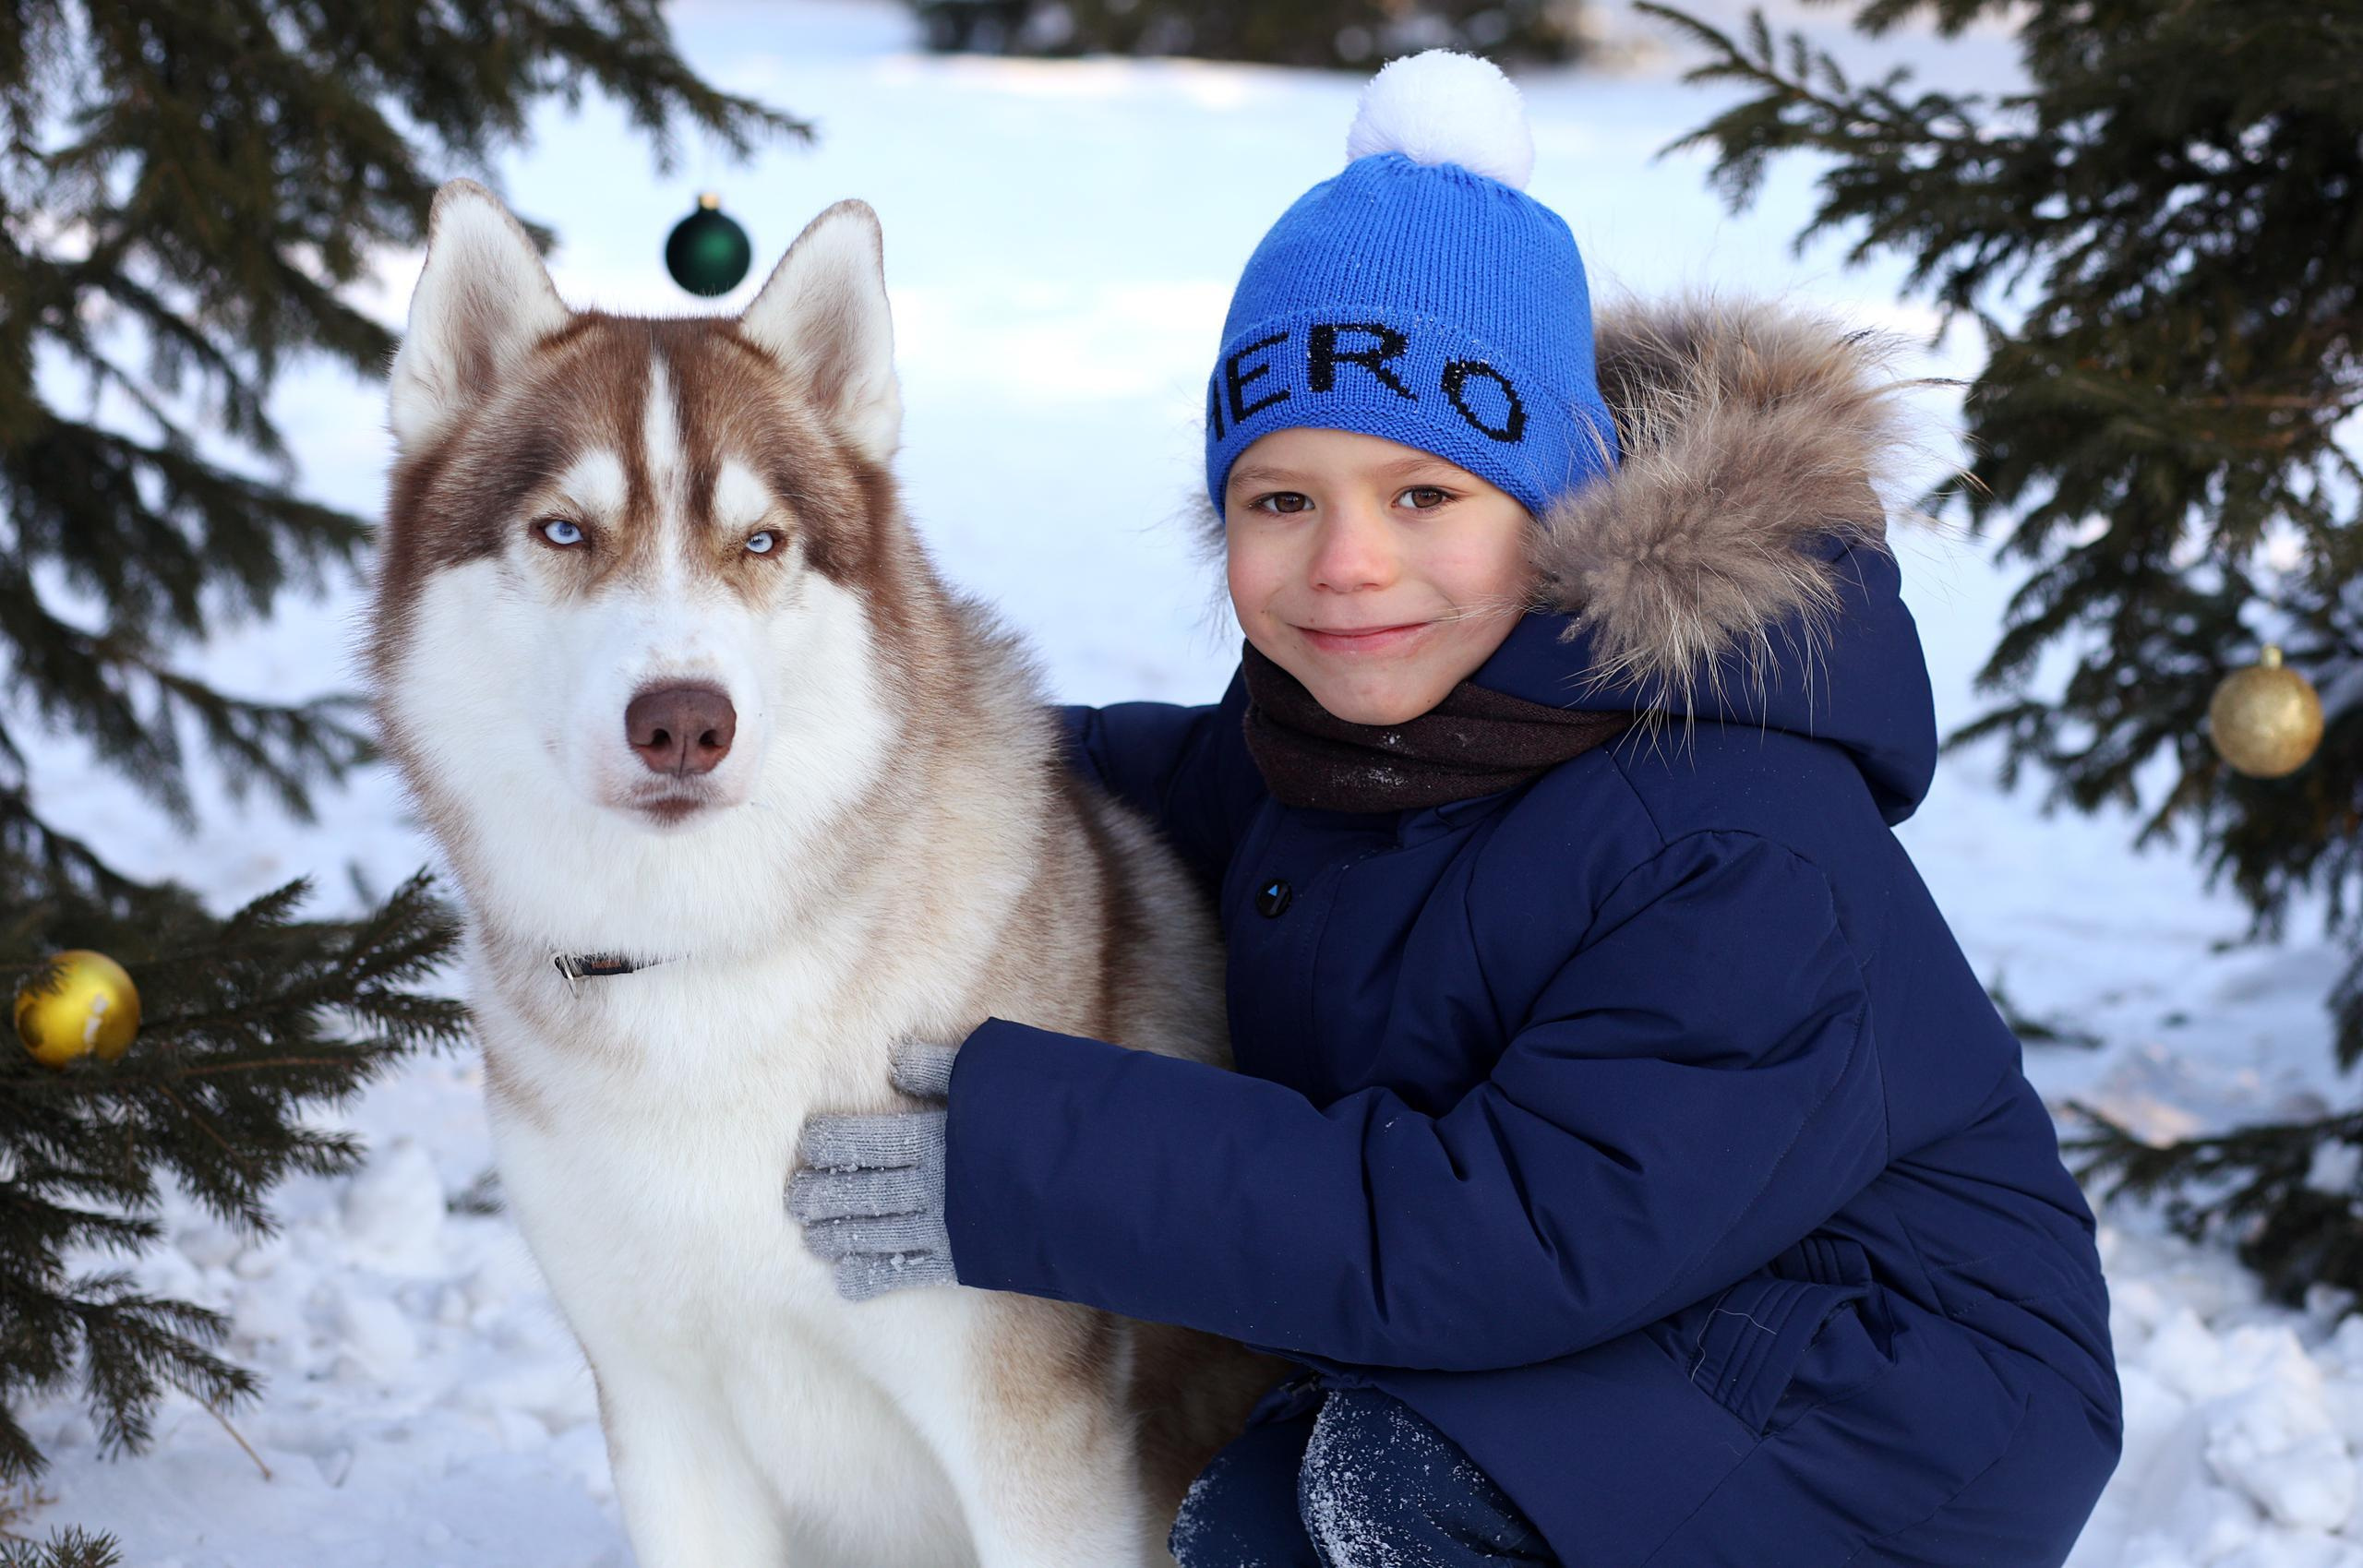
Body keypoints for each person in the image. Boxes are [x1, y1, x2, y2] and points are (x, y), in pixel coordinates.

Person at [786, 49, 2123, 1568]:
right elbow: (1152, 790)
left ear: (1560, 514)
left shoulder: (1730, 840)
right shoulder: (1358, 729)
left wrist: (1037, 1157)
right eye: (1280, 500)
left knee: (1402, 1483)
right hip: (1655, 1305)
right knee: (1248, 1521)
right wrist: (900, 764)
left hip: (1893, 1390)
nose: (1347, 562)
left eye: (1427, 496)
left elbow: (1502, 1238)